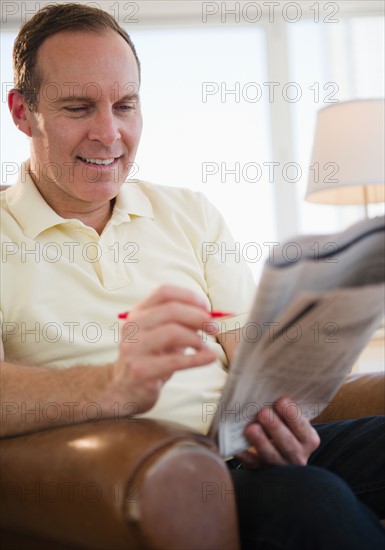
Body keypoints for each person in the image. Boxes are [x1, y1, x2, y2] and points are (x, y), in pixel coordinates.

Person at [1, 4, 384, 549]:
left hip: (248, 454)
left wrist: (279, 415)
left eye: (126, 105)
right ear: (22, 112)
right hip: (145, 479)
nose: (109, 133)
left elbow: (251, 358)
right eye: (78, 107)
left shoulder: (190, 213)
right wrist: (113, 386)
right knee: (312, 500)